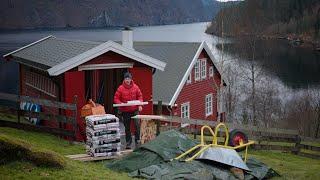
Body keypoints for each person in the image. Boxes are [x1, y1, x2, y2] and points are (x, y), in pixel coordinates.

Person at [114, 72, 143, 148]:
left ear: (131, 79)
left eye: (129, 78)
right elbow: (116, 98)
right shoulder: (120, 88)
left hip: (135, 110)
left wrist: (140, 105)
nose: (127, 80)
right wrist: (120, 103)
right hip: (125, 111)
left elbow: (140, 96)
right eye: (126, 78)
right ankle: (128, 142)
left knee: (137, 125)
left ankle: (137, 140)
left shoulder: (136, 87)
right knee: (127, 127)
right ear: (124, 79)